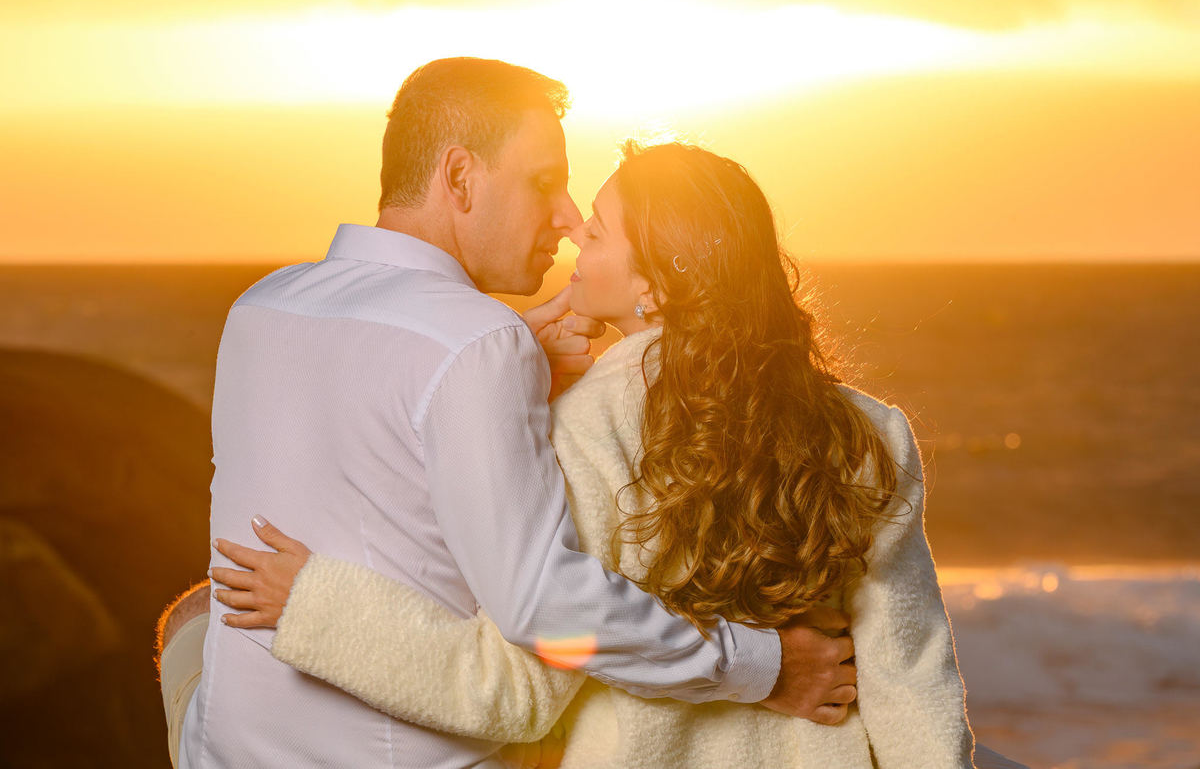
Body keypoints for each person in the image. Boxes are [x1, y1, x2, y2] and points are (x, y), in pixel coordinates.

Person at [206, 142, 1024, 768]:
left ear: (655, 286)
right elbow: (913, 679)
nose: (571, 240)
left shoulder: (584, 431)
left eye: (595, 233)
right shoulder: (868, 432)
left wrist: (317, 606)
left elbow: (512, 693)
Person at [169, 58, 858, 769]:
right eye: (542, 183)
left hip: (219, 750)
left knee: (192, 617)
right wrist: (763, 667)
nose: (565, 218)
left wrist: (515, 356)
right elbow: (544, 611)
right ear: (461, 178)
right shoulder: (475, 344)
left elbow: (375, 400)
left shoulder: (261, 305)